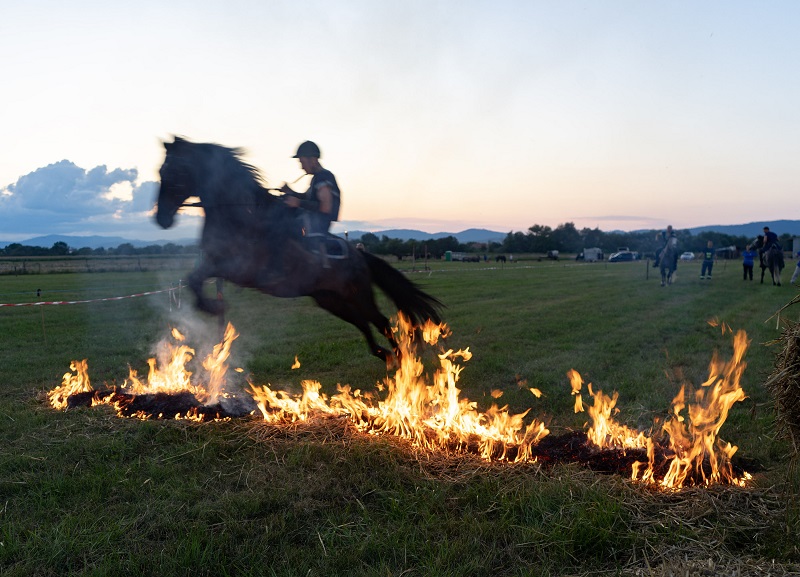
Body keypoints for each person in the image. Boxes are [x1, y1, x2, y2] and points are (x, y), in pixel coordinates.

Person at [280, 141, 341, 237]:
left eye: (302, 162)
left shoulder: (323, 177)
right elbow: (309, 199)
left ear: (313, 160)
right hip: (311, 224)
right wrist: (290, 192)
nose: (302, 167)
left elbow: (326, 207)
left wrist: (298, 202)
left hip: (316, 227)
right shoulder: (317, 178)